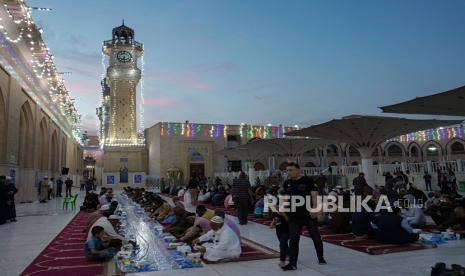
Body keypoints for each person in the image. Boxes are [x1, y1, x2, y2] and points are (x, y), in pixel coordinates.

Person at [281, 163, 325, 271]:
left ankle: (320, 257)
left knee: (316, 238)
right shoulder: (287, 183)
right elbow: (286, 198)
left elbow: (315, 196)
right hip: (294, 217)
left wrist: (315, 209)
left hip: (308, 215)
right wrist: (282, 210)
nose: (288, 172)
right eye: (287, 170)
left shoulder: (308, 181)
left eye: (291, 170)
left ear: (298, 170)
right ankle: (292, 264)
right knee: (294, 240)